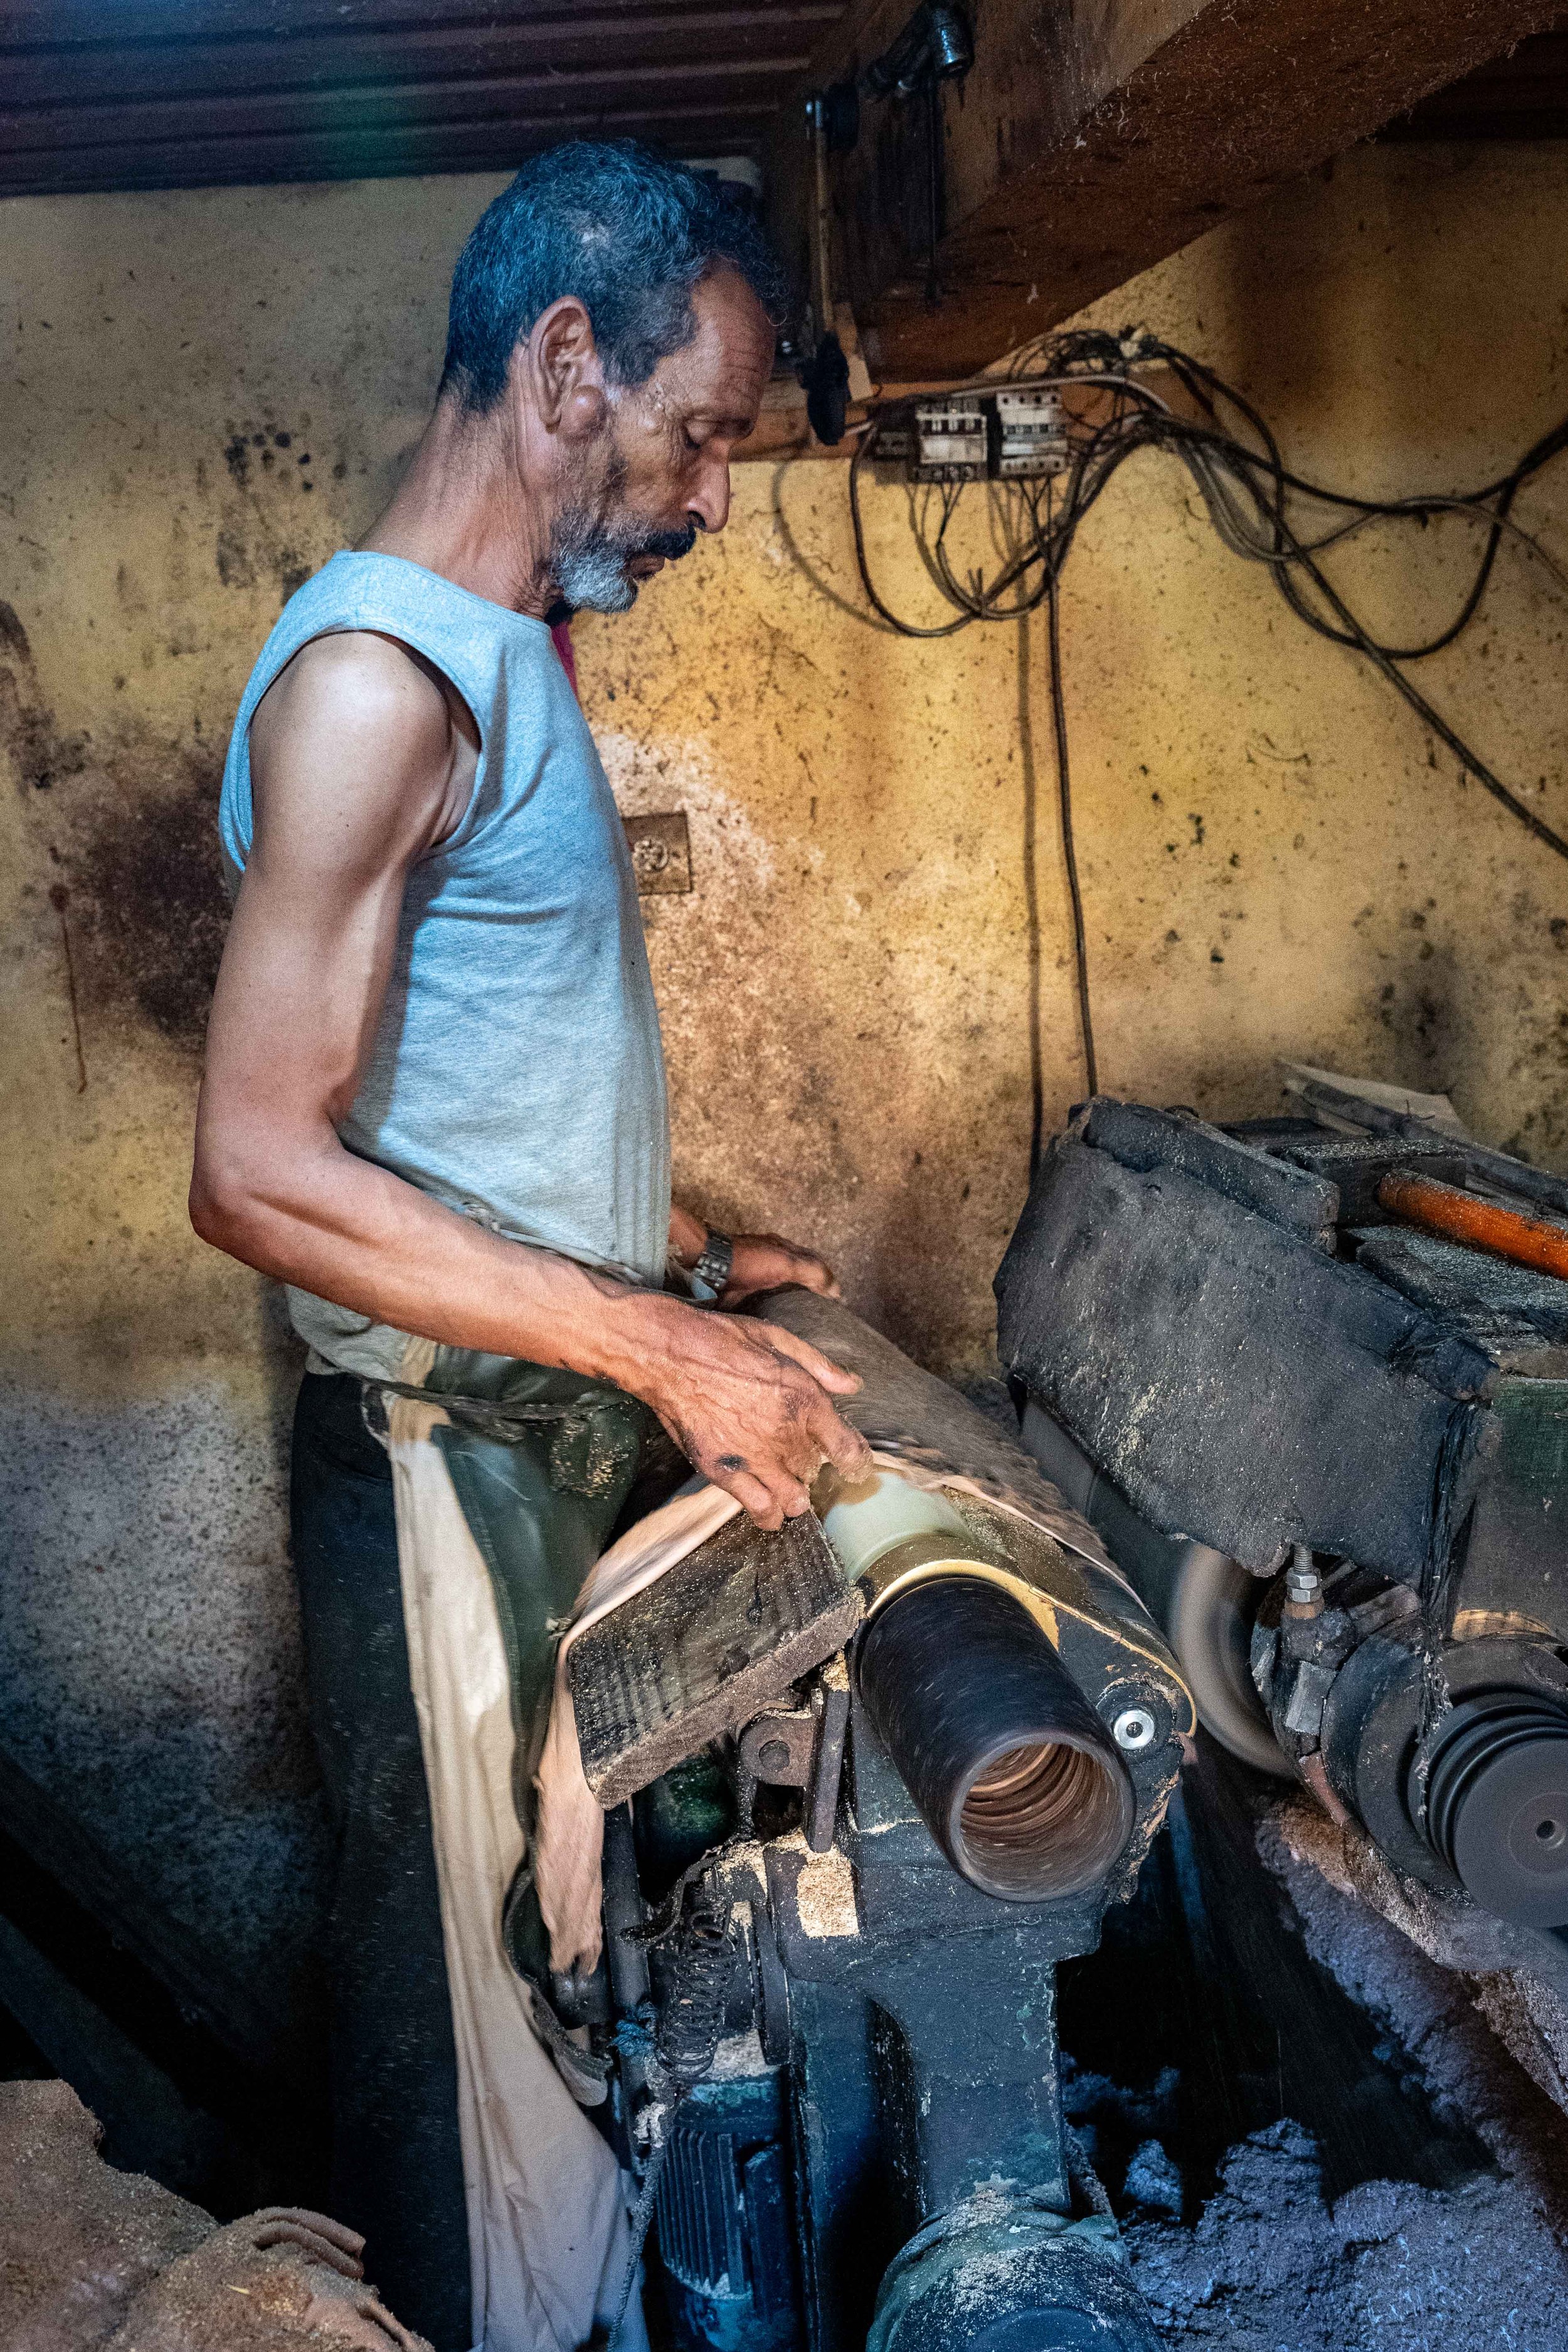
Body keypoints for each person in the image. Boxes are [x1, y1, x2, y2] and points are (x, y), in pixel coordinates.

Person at [190, 141, 871, 2350]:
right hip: (436, 1461)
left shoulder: (507, 655)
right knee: (485, 2058)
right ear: (566, 363)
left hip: (542, 1405)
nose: (712, 494)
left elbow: (445, 1066)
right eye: (701, 435)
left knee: (576, 1996)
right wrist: (656, 1356)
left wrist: (658, 1253)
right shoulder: (376, 682)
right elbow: (260, 1171)